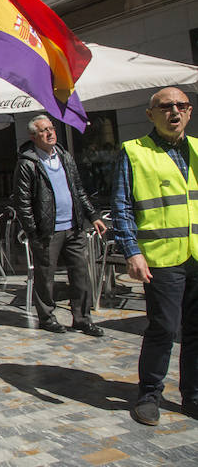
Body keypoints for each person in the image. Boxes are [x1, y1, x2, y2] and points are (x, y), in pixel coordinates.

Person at [112, 86, 198, 426]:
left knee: (196, 330)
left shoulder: (197, 149)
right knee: (164, 329)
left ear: (189, 112)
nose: (174, 111)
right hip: (161, 258)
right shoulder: (134, 151)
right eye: (165, 106)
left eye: (181, 105)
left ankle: (193, 396)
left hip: (196, 255)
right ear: (151, 114)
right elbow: (122, 206)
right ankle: (149, 394)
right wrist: (132, 251)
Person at [13, 114, 107, 336]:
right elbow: (22, 202)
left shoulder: (64, 156)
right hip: (47, 231)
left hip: (74, 226)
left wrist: (93, 215)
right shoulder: (27, 163)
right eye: (44, 130)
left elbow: (78, 189)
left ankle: (82, 319)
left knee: (80, 274)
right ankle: (47, 318)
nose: (50, 133)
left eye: (51, 128)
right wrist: (33, 232)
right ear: (33, 136)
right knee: (45, 277)